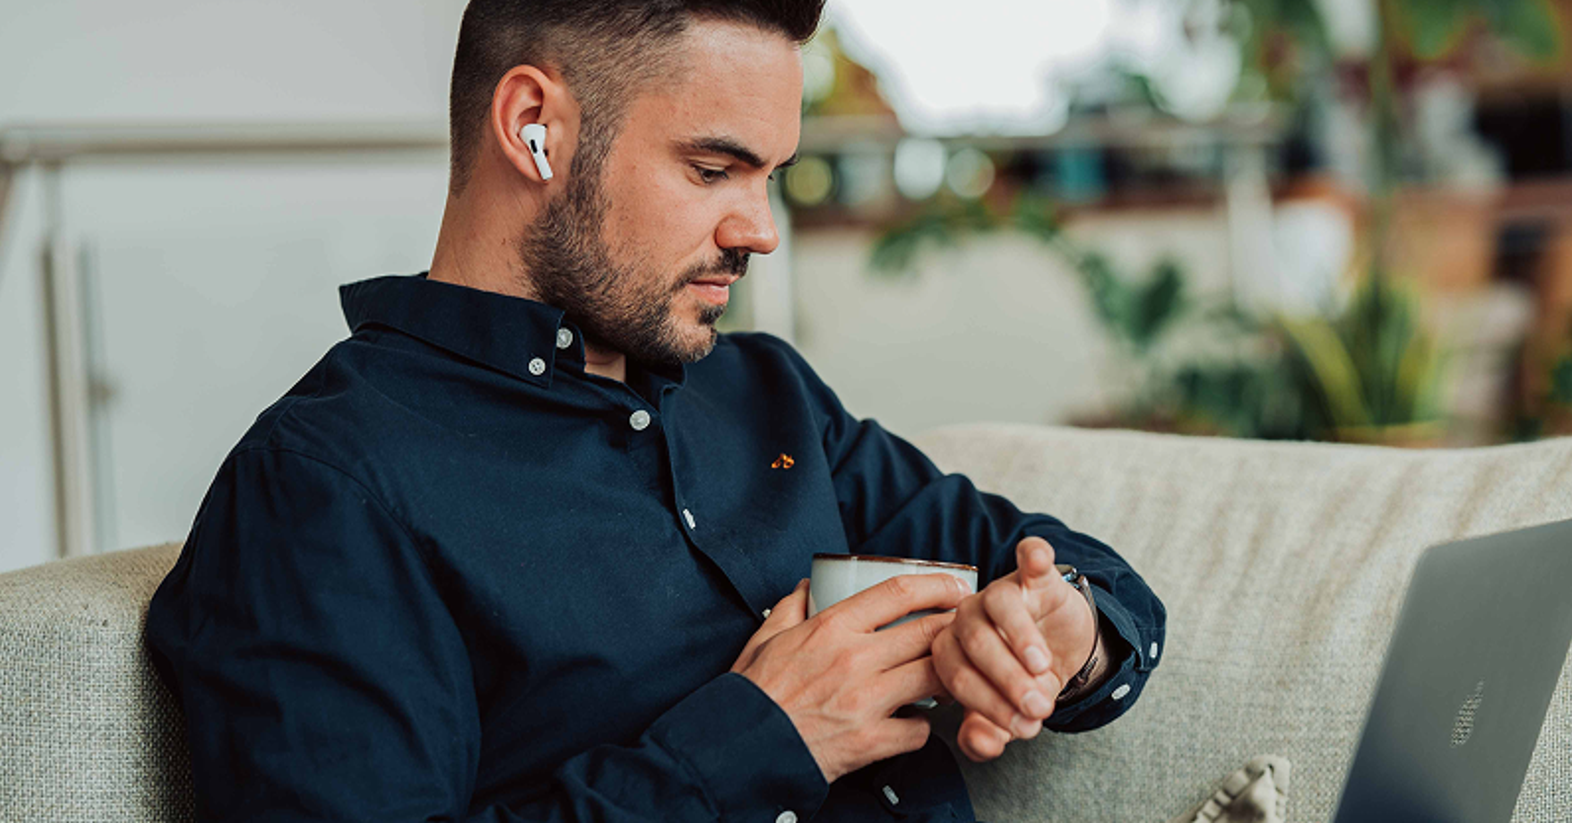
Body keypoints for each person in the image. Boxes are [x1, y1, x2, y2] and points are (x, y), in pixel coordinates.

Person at [144, 1, 1166, 820]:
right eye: (713, 168)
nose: (759, 230)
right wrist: (764, 735)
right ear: (533, 129)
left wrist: (1058, 628)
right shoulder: (327, 485)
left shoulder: (764, 395)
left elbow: (1062, 569)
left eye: (772, 177)